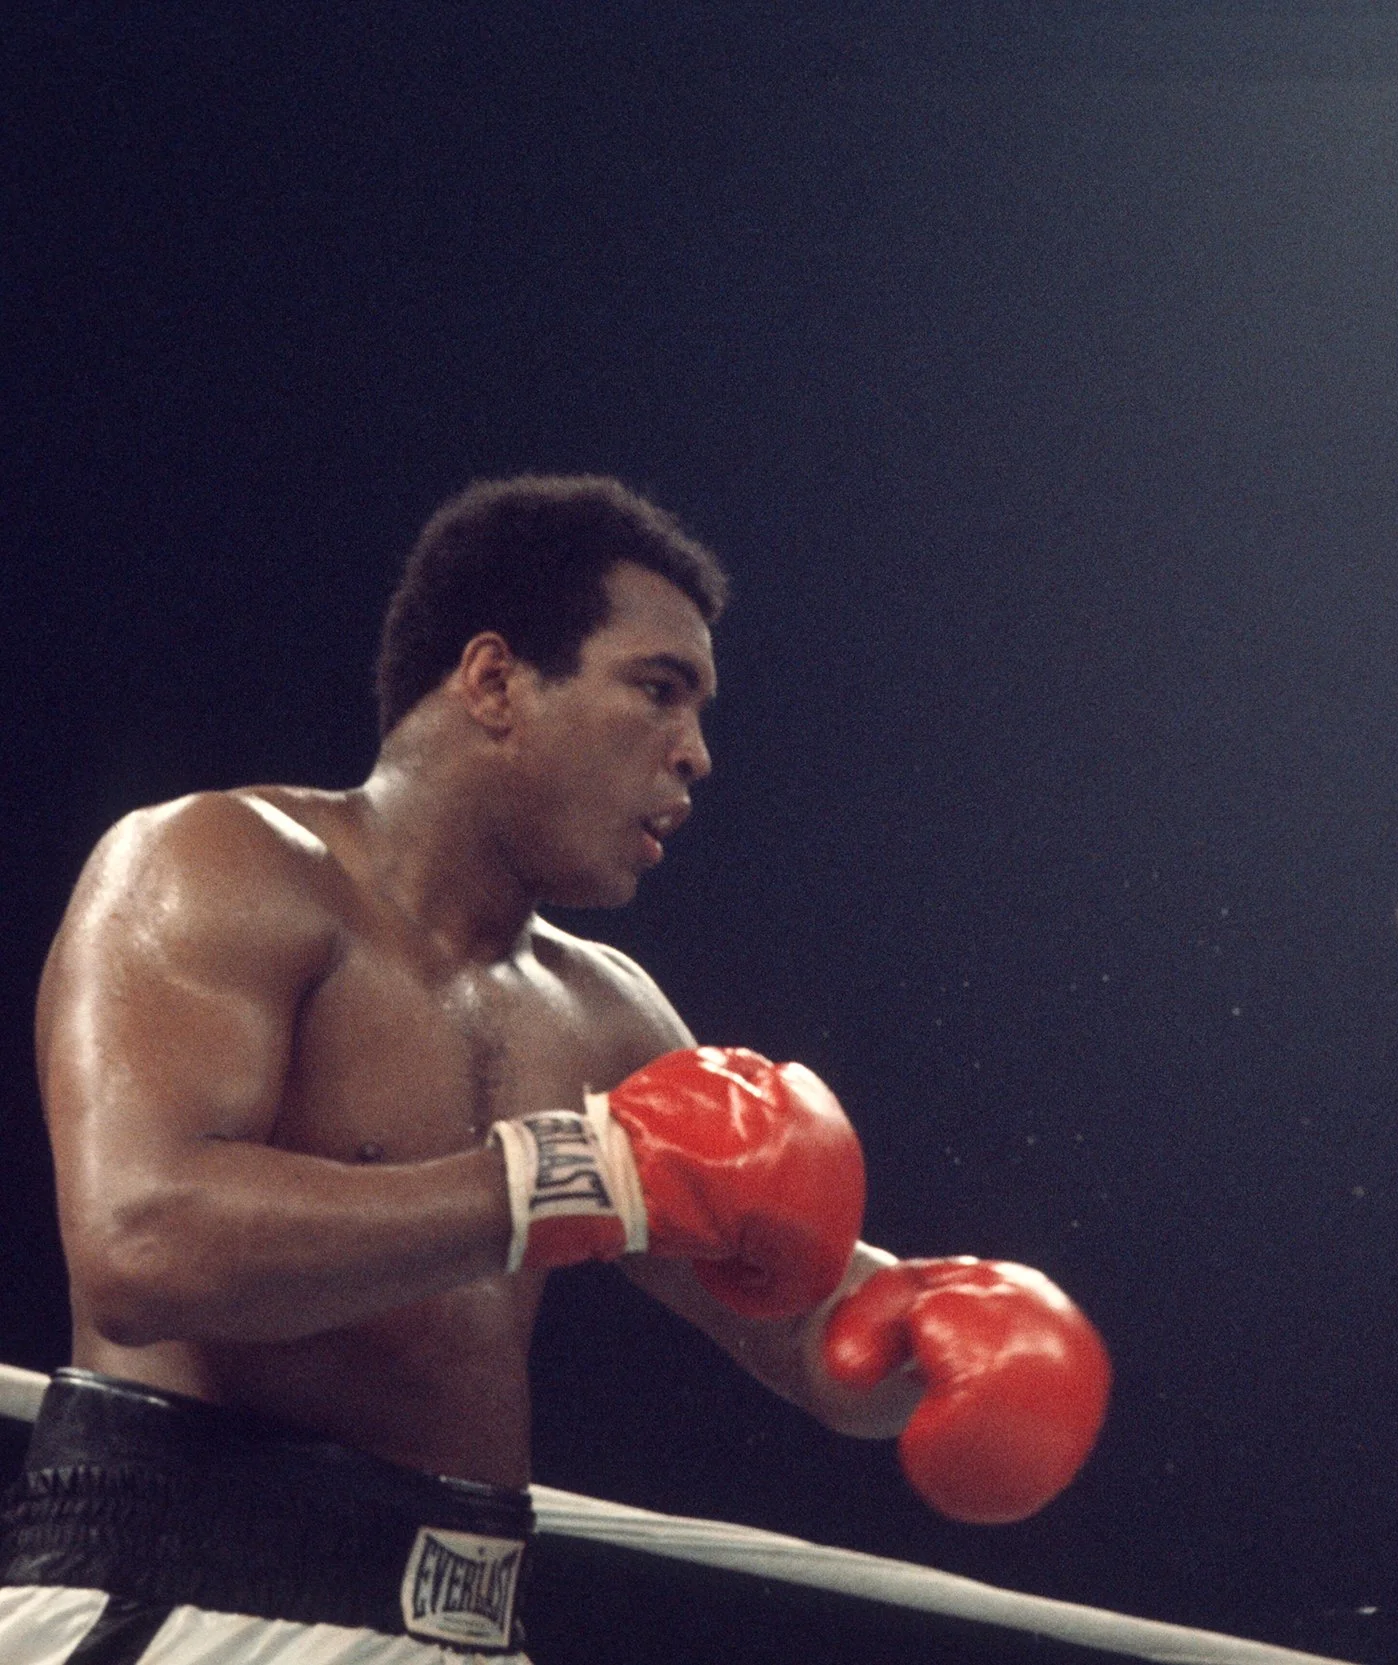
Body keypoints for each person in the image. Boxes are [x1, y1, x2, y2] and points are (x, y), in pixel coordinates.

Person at [1, 476, 1111, 1663]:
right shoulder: (220, 865)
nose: (695, 754)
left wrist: (925, 1329)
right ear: (494, 682)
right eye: (658, 689)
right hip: (183, 1598)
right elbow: (144, 1249)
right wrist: (566, 1178)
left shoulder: (605, 1014)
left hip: (455, 1623)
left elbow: (793, 1313)